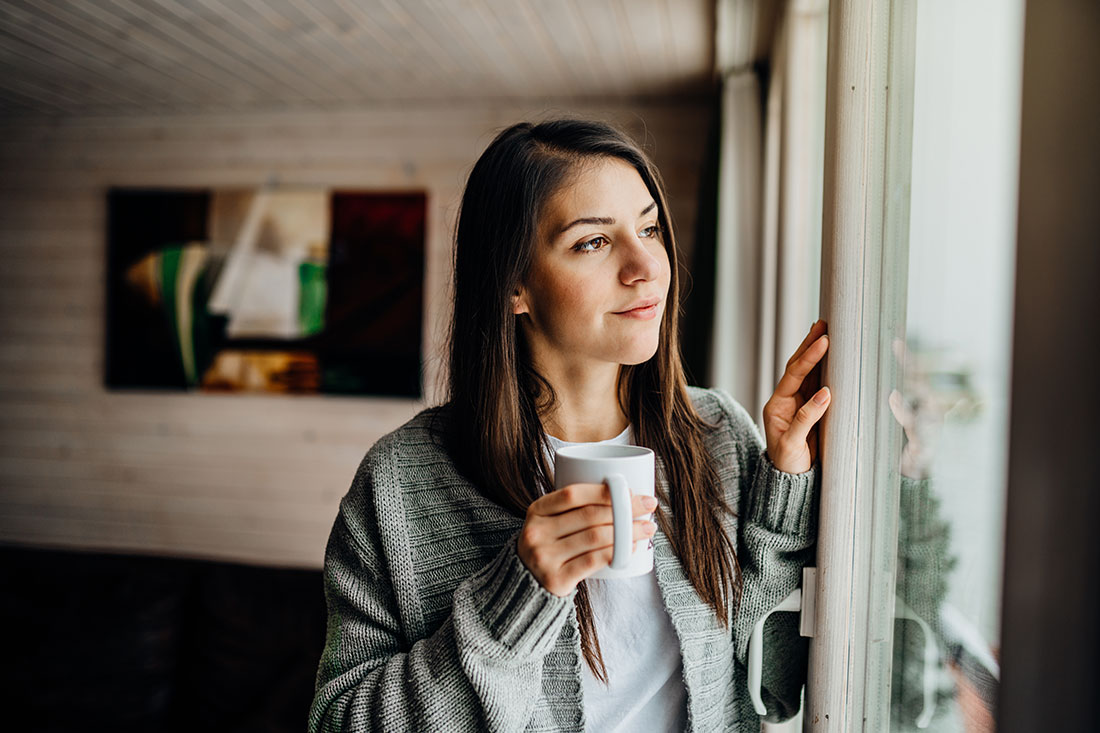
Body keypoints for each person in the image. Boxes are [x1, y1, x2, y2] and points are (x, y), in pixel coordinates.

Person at [308, 119, 831, 732]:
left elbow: (773, 689)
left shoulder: (717, 435)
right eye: (592, 243)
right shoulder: (403, 480)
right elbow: (339, 724)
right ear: (513, 286)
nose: (646, 267)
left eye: (649, 228)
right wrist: (517, 596)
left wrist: (786, 491)